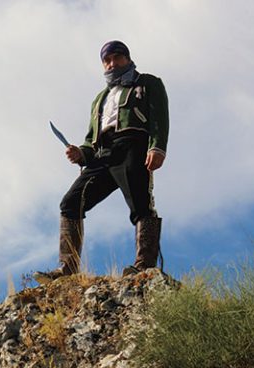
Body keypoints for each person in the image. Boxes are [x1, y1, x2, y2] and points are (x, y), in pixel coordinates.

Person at [34, 40, 169, 283]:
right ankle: (67, 268)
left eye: (117, 58)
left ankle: (145, 267)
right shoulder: (100, 99)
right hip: (103, 154)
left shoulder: (148, 83)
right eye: (107, 60)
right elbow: (90, 140)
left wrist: (157, 147)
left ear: (128, 59)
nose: (112, 63)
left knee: (141, 204)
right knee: (71, 202)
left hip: (134, 145)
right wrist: (81, 153)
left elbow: (159, 118)